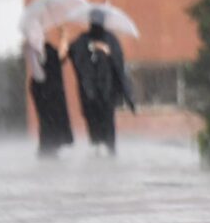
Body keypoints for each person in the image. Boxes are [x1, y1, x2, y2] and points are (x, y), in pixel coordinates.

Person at [67, 9, 135, 154]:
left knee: (108, 126)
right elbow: (73, 53)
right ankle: (97, 154)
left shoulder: (111, 39)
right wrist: (91, 47)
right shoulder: (83, 39)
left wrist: (107, 52)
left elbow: (119, 63)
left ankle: (110, 153)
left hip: (107, 91)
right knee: (94, 128)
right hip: (89, 92)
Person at [25, 29, 74, 157]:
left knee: (53, 120)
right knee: (48, 121)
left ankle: (52, 146)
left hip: (51, 90)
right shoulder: (34, 49)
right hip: (45, 91)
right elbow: (39, 73)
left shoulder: (45, 48)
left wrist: (64, 38)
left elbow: (60, 58)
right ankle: (48, 148)